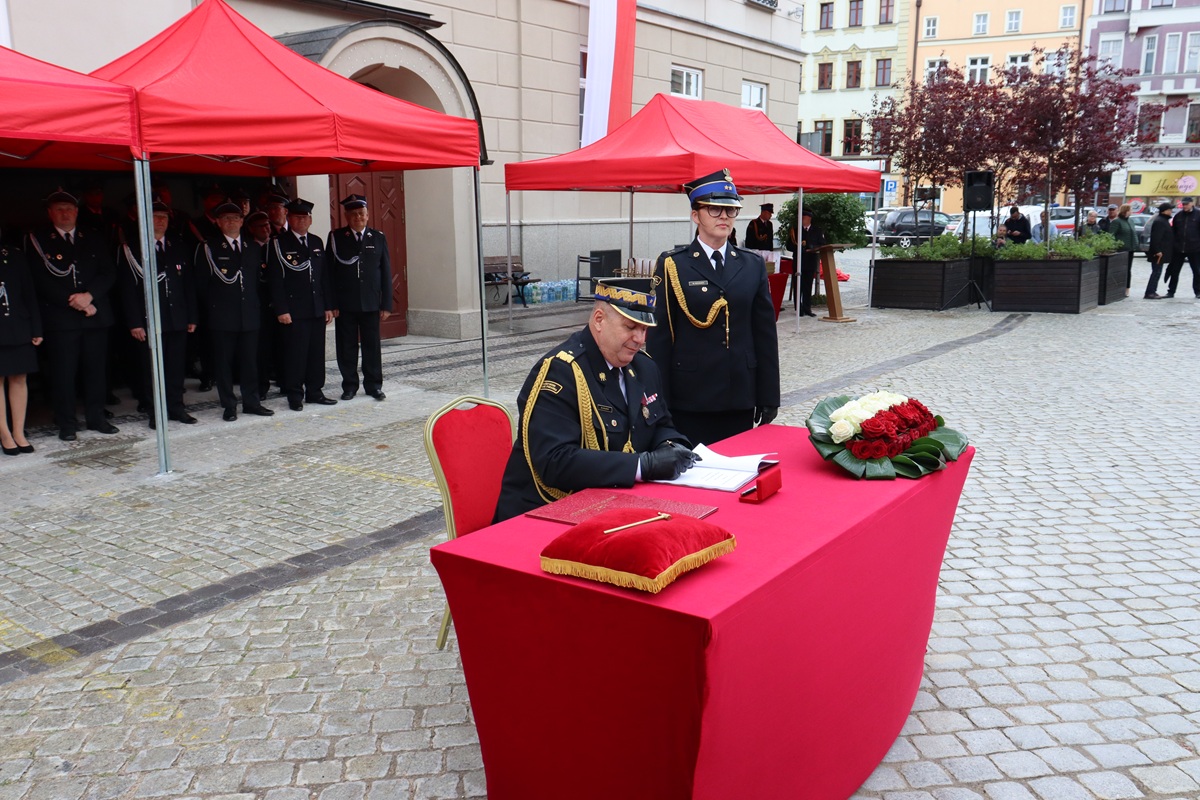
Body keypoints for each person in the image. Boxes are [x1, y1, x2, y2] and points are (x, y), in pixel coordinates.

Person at [493, 277, 698, 522]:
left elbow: (661, 424)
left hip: (613, 505)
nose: (640, 339)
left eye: (644, 329)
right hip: (546, 513)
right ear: (599, 320)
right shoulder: (562, 371)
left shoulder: (643, 367)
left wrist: (671, 447)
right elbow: (554, 461)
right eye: (630, 327)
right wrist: (642, 466)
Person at [646, 169, 780, 446]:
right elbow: (660, 339)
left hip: (739, 395)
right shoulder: (674, 264)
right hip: (690, 397)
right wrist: (660, 400)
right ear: (696, 216)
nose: (724, 217)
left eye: (731, 210)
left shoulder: (751, 264)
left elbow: (764, 334)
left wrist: (768, 395)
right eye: (715, 209)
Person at [26, 189, 119, 441]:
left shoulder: (93, 237)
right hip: (61, 319)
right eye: (59, 209)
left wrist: (89, 296)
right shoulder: (37, 239)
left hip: (95, 316)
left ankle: (96, 417)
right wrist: (75, 302)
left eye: (69, 209)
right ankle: (66, 422)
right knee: (63, 374)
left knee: (96, 371)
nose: (65, 213)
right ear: (50, 213)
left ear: (77, 211)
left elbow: (108, 272)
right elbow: (39, 279)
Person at [119, 199, 197, 427]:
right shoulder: (132, 249)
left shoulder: (178, 245)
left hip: (177, 317)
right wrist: (135, 322)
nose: (161, 221)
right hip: (149, 319)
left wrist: (192, 316)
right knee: (152, 369)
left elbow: (188, 285)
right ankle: (156, 412)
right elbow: (127, 289)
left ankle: (176, 407)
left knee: (176, 367)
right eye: (155, 216)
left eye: (164, 217)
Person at [196, 201, 274, 422]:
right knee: (224, 364)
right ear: (219, 222)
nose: (231, 222)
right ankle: (229, 405)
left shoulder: (252, 247)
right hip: (222, 316)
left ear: (242, 221)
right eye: (226, 218)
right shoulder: (208, 248)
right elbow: (201, 285)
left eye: (235, 218)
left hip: (249, 314)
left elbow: (257, 283)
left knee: (250, 362)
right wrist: (215, 308)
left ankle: (251, 402)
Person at [268, 198, 335, 411]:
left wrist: (328, 306)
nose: (302, 221)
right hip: (294, 310)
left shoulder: (316, 242)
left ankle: (315, 391)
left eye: (305, 217)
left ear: (311, 220)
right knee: (295, 355)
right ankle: (295, 394)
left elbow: (324, 277)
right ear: (289, 219)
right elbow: (275, 280)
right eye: (297, 217)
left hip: (316, 308)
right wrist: (281, 309)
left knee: (316, 354)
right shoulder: (278, 243)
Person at [328, 194, 392, 401]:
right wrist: (332, 303)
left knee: (371, 346)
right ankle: (349, 386)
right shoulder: (336, 238)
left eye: (361, 213)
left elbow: (385, 272)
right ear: (346, 216)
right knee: (346, 346)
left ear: (368, 215)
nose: (358, 217)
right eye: (354, 214)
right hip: (345, 303)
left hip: (371, 303)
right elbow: (329, 273)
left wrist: (386, 304)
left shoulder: (378, 237)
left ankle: (374, 385)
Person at [0, 242, 43, 455]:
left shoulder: (14, 254)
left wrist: (36, 328)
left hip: (18, 325)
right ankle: (4, 434)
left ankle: (18, 432)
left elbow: (29, 292)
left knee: (19, 377)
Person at [245, 210, 279, 398]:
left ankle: (284, 380)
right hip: (259, 305)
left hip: (280, 304)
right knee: (261, 348)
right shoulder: (249, 248)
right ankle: (262, 386)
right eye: (260, 226)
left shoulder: (277, 245)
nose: (266, 229)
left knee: (283, 345)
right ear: (251, 229)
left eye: (267, 225)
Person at [1164, 196, 1199, 299]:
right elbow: (1173, 231)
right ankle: (1171, 291)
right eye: (1183, 204)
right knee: (1174, 271)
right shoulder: (1178, 215)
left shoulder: (1198, 215)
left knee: (1197, 271)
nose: (1184, 206)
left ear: (1192, 203)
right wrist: (1173, 245)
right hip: (1179, 248)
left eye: (1186, 204)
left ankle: (1198, 291)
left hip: (1195, 248)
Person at [797, 209, 825, 318]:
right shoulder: (796, 230)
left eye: (804, 218)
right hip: (799, 261)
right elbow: (789, 245)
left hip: (810, 261)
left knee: (808, 286)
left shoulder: (817, 230)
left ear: (809, 219)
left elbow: (822, 244)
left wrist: (811, 246)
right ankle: (799, 309)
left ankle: (807, 308)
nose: (802, 220)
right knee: (798, 286)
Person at [1145, 202, 1174, 300]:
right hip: (1158, 253)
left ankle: (1153, 291)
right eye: (1170, 210)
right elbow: (1156, 237)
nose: (1171, 211)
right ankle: (1150, 292)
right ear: (1165, 211)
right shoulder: (1160, 221)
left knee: (1157, 272)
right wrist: (1157, 250)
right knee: (1156, 272)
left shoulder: (1163, 220)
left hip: (1161, 252)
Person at [1108, 203, 1138, 297]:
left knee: (1128, 269)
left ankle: (1127, 288)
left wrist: (1136, 244)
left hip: (1130, 249)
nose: (1132, 211)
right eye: (1130, 210)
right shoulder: (1117, 222)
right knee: (1120, 269)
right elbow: (1111, 235)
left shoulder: (1131, 221)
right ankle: (1117, 288)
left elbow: (1133, 234)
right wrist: (1114, 246)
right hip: (1121, 250)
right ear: (1126, 211)